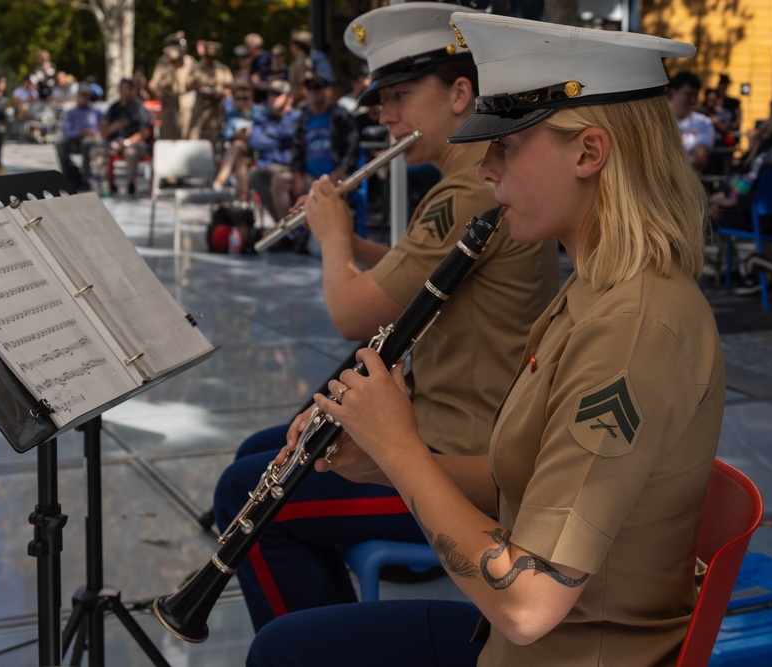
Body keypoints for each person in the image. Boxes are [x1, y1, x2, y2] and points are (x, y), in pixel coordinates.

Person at [246, 12, 722, 667]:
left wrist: (401, 446)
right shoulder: (595, 289)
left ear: (589, 152)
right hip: (519, 646)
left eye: (506, 146)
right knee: (288, 646)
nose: (487, 170)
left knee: (287, 653)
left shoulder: (635, 326)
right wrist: (380, 456)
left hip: (564, 651)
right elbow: (516, 487)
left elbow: (529, 603)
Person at [215, 2, 560, 635]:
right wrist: (346, 239)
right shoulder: (467, 183)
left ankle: (313, 643)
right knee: (260, 452)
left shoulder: (468, 190)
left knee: (243, 489)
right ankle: (327, 616)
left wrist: (330, 235)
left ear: (461, 93)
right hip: (439, 424)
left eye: (400, 95)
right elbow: (407, 272)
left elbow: (351, 313)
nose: (385, 115)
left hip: (460, 453)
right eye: (381, 100)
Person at [711, 91, 772, 294]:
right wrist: (756, 145)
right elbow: (746, 173)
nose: (771, 115)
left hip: (764, 216)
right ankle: (743, 271)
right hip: (758, 210)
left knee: (704, 217)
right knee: (708, 210)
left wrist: (732, 200)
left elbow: (763, 181)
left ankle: (746, 272)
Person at [267, 70, 359, 235]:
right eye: (310, 88)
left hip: (335, 175)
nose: (314, 92)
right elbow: (296, 148)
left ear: (329, 90)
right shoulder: (304, 118)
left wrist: (341, 170)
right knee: (277, 180)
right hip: (308, 175)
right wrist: (297, 174)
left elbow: (352, 145)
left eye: (318, 87)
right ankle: (291, 234)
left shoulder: (340, 115)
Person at [246, 79, 302, 222]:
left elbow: (292, 134)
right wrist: (281, 138)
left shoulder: (297, 116)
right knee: (254, 174)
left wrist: (269, 134)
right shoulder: (262, 118)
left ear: (289, 97)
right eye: (271, 94)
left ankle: (287, 227)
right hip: (267, 167)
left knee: (279, 180)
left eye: (278, 94)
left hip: (290, 167)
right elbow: (254, 141)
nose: (273, 98)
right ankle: (283, 224)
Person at [97, 77, 152, 197]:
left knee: (130, 153)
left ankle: (131, 186)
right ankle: (108, 185)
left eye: (127, 89)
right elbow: (103, 131)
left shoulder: (139, 108)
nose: (124, 91)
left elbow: (145, 132)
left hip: (135, 144)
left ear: (133, 90)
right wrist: (115, 127)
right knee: (97, 151)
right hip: (114, 142)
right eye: (122, 89)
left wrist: (127, 142)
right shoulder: (114, 108)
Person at [213, 80, 262, 200]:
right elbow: (227, 135)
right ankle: (243, 195)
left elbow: (264, 133)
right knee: (239, 152)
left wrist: (249, 134)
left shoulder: (260, 112)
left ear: (251, 96)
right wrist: (238, 134)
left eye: (245, 97)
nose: (242, 101)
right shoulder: (232, 114)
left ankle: (220, 180)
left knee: (237, 145)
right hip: (239, 152)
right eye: (238, 98)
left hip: (256, 150)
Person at [57, 82, 105, 192]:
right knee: (61, 145)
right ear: (77, 96)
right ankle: (70, 176)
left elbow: (103, 130)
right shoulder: (70, 112)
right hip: (75, 138)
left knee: (86, 143)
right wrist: (80, 133)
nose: (83, 97)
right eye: (81, 95)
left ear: (89, 96)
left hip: (91, 140)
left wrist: (93, 133)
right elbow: (66, 131)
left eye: (86, 95)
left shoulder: (96, 112)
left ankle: (87, 179)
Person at [187, 40, 234, 148]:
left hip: (215, 110)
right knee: (194, 137)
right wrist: (199, 88)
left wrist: (221, 92)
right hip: (199, 109)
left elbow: (231, 88)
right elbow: (187, 85)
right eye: (208, 57)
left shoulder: (223, 69)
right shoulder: (196, 68)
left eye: (212, 57)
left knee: (212, 140)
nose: (210, 60)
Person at [668, 70, 714, 174]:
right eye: (688, 94)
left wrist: (667, 160)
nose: (693, 100)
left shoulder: (703, 122)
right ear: (673, 92)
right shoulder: (658, 119)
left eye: (696, 95)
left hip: (688, 184)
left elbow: (699, 159)